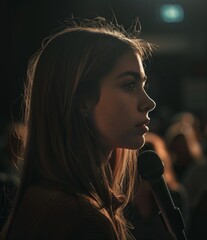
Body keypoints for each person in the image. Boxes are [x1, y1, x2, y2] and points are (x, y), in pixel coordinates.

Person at [0, 17, 157, 240]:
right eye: (129, 84)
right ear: (81, 99)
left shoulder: (43, 197)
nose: (148, 102)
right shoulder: (83, 220)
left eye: (143, 85)